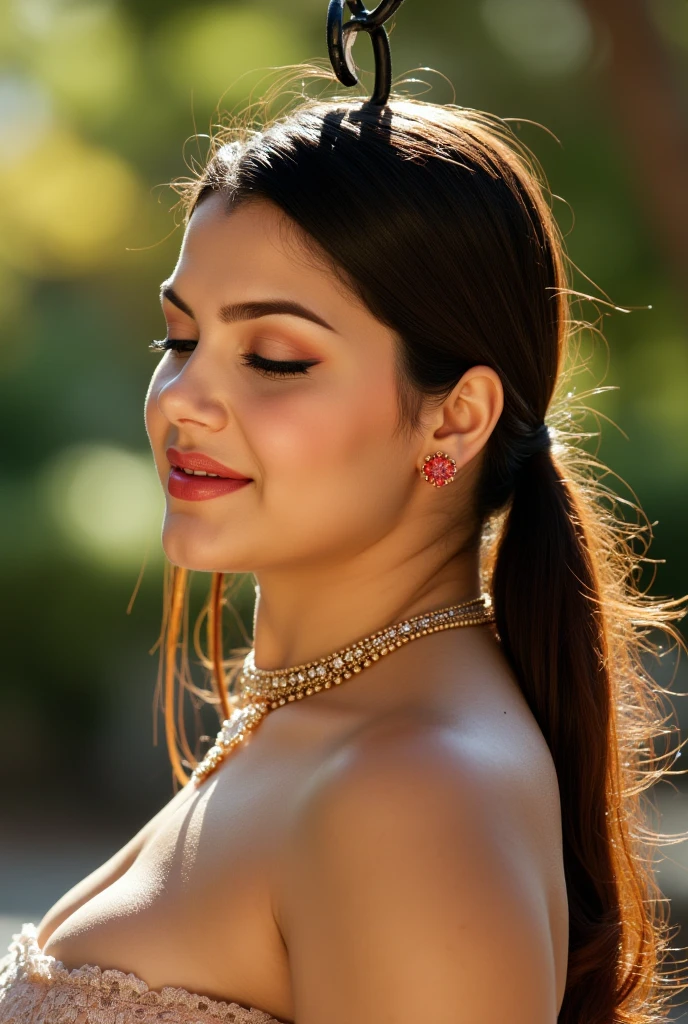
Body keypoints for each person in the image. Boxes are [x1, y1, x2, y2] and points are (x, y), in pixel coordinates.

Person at [1, 66, 687, 1024]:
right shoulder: (316, 721)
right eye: (178, 340)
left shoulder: (410, 797)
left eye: (275, 358)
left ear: (454, 421)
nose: (183, 399)